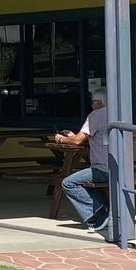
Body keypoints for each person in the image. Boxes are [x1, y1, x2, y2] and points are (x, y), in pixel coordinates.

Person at [54, 88, 110, 235]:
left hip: (102, 169)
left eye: (93, 102)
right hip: (122, 168)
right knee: (87, 182)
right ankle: (103, 209)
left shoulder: (96, 115)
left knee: (68, 183)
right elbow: (82, 137)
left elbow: (77, 141)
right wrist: (73, 136)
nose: (91, 105)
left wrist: (61, 139)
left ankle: (98, 214)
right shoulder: (118, 114)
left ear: (99, 103)